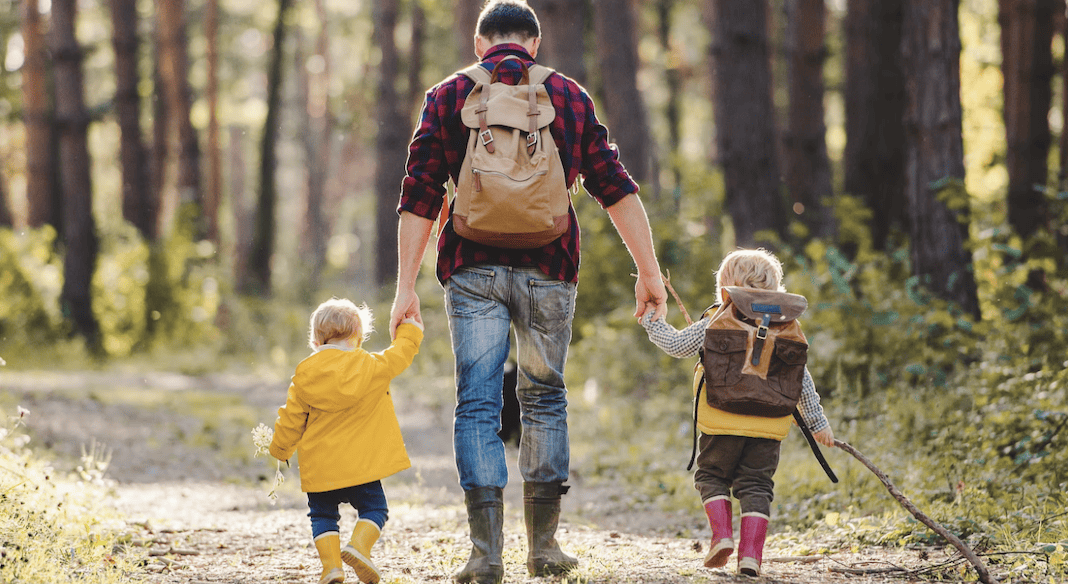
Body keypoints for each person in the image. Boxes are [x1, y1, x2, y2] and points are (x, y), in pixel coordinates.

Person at [390, 1, 667, 582]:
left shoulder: (448, 96)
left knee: (479, 402)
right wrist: (649, 271)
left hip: (471, 269)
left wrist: (403, 288)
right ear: (534, 45)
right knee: (543, 398)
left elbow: (419, 191)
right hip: (550, 267)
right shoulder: (567, 96)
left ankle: (485, 554)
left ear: (478, 43)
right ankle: (544, 548)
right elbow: (612, 186)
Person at [640, 249, 835, 577]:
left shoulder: (717, 319)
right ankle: (750, 558)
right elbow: (800, 378)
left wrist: (651, 321)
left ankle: (722, 536)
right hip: (769, 426)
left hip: (721, 421)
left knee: (711, 476)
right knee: (757, 485)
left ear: (726, 289)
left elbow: (675, 346)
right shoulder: (786, 326)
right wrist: (818, 423)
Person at [270, 298, 423, 584]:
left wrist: (280, 448)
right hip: (361, 466)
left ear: (315, 340)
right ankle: (360, 547)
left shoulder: (305, 373)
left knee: (323, 515)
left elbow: (291, 418)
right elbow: (399, 354)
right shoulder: (370, 365)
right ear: (358, 336)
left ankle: (331, 568)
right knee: (375, 509)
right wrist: (410, 329)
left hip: (322, 467)